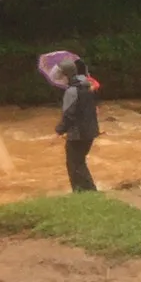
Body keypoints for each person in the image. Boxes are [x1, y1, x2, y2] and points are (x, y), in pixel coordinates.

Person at [55, 59, 99, 192]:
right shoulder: (86, 86)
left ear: (66, 74)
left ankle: (85, 191)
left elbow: (69, 114)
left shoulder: (72, 91)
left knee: (74, 164)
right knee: (79, 162)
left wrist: (59, 130)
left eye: (61, 74)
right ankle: (87, 191)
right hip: (90, 131)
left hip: (78, 134)